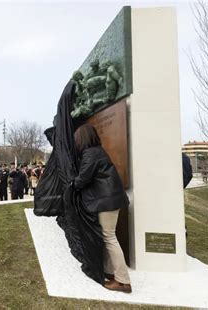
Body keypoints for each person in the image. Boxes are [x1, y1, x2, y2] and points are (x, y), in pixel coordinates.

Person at [73, 124, 131, 293]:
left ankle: (123, 281)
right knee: (107, 237)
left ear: (82, 138)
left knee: (109, 237)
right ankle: (110, 272)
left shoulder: (90, 154)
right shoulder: (97, 151)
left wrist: (72, 183)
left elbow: (83, 178)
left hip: (107, 201)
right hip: (110, 200)